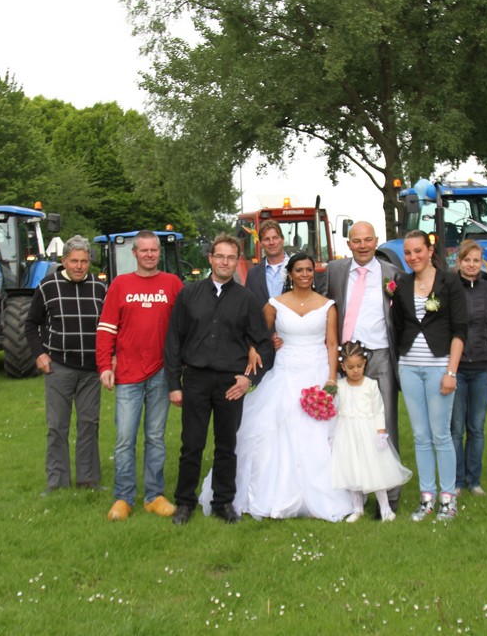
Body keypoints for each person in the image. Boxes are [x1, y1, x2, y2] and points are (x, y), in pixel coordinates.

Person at [201, 252, 355, 521]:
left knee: (320, 435)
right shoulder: (275, 304)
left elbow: (332, 344)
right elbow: (257, 333)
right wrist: (262, 345)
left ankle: (323, 493)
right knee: (272, 430)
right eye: (299, 270)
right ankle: (270, 493)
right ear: (290, 274)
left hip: (318, 371)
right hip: (285, 373)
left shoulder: (327, 305)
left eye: (309, 270)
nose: (305, 274)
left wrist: (331, 379)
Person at [164, 234, 272, 526]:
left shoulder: (246, 300)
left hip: (230, 383)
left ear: (237, 262)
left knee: (226, 445)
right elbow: (173, 341)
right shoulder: (189, 295)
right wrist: (174, 385)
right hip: (195, 379)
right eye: (220, 256)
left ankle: (223, 502)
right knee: (191, 444)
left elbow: (264, 344)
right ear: (210, 258)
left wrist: (249, 379)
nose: (225, 262)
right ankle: (184, 502)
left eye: (231, 257)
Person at [97, 231, 183, 521]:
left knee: (155, 437)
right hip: (128, 374)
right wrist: (104, 365)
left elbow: (185, 326)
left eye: (153, 250)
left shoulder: (172, 284)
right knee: (125, 439)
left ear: (159, 253)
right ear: (134, 253)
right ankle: (123, 498)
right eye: (144, 250)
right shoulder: (120, 285)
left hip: (161, 373)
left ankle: (154, 496)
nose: (149, 255)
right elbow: (106, 328)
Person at [326, 221, 403, 514]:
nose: (362, 246)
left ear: (376, 241)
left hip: (380, 355)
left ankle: (390, 497)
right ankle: (355, 491)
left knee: (385, 424)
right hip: (346, 358)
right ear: (348, 244)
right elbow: (324, 306)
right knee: (348, 427)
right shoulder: (335, 271)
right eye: (357, 241)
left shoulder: (392, 274)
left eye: (368, 240)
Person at [391, 230, 468, 521]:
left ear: (429, 250)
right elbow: (398, 326)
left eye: (418, 251)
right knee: (420, 436)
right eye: (408, 253)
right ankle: (427, 498)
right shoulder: (401, 284)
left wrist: (451, 372)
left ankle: (448, 498)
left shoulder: (450, 282)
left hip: (440, 368)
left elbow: (460, 330)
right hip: (409, 367)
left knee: (441, 434)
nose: (413, 257)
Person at [24, 235, 108, 496]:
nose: (79, 266)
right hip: (59, 367)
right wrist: (39, 354)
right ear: (64, 261)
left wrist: (110, 358)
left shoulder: (100, 288)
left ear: (90, 262)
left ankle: (88, 480)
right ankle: (57, 482)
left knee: (89, 424)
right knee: (57, 426)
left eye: (84, 261)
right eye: (74, 261)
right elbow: (30, 325)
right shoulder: (47, 286)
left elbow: (109, 327)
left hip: (91, 370)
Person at [331, 340, 412, 523]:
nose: (355, 370)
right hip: (348, 433)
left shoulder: (370, 385)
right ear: (343, 366)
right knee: (351, 469)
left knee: (374, 470)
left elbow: (378, 410)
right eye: (351, 367)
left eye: (359, 366)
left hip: (368, 433)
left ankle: (385, 508)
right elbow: (336, 410)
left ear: (365, 363)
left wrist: (380, 431)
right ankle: (357, 508)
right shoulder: (340, 386)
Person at [452, 240, 487, 496]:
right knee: (456, 429)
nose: (472, 265)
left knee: (476, 427)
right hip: (457, 368)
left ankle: (474, 480)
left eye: (476, 260)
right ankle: (457, 481)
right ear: (459, 262)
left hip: (483, 367)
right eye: (467, 260)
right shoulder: (450, 287)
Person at [245, 219, 288, 306]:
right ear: (260, 243)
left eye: (275, 238)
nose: (271, 242)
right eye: (266, 239)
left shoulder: (299, 269)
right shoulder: (253, 275)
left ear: (282, 240)